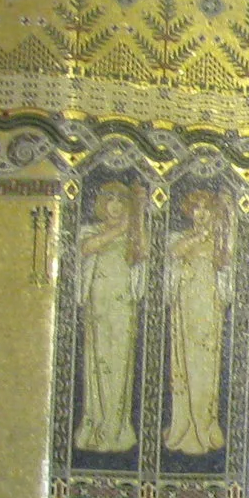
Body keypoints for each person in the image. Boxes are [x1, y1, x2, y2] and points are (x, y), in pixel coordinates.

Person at [72, 181, 144, 455]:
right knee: (98, 362)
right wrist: (121, 228)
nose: (115, 206)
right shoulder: (91, 230)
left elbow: (142, 252)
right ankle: (97, 424)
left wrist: (138, 219)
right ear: (102, 204)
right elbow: (88, 247)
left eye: (121, 201)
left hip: (123, 302)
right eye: (110, 200)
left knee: (120, 362)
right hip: (98, 303)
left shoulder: (132, 233)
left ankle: (116, 428)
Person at [162, 186, 232, 458]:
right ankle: (185, 425)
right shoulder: (180, 237)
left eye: (207, 209)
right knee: (185, 363)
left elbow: (225, 259)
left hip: (208, 306)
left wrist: (228, 217)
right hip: (185, 305)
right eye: (197, 208)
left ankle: (205, 426)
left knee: (205, 365)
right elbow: (175, 253)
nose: (201, 214)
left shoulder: (221, 241)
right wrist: (198, 237)